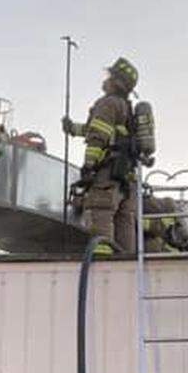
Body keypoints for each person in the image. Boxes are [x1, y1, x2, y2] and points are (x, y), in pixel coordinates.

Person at [62, 57, 140, 255]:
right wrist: (72, 129)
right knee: (125, 222)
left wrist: (89, 166)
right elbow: (96, 130)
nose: (106, 79)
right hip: (127, 178)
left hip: (108, 172)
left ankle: (103, 264)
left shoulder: (108, 103)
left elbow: (98, 136)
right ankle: (125, 263)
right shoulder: (126, 108)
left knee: (100, 213)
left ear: (116, 81)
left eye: (110, 76)